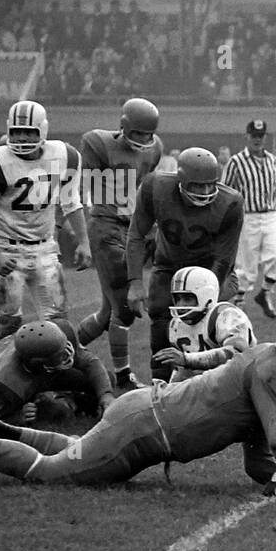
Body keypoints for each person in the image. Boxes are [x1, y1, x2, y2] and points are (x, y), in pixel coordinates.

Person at [0, 317, 276, 495]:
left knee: (74, 449)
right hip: (141, 429)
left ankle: (7, 431)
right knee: (49, 472)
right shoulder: (273, 371)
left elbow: (260, 462)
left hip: (142, 415)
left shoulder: (267, 359)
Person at [0, 100, 92, 341]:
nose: (23, 138)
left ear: (43, 130)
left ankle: (57, 375)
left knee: (59, 323)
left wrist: (83, 242)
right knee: (8, 325)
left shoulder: (65, 155)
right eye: (17, 132)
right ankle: (1, 376)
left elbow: (71, 202)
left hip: (45, 249)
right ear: (8, 130)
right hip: (8, 248)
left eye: (29, 132)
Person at [126, 147, 244, 381]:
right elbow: (137, 235)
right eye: (198, 185)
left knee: (211, 320)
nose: (205, 191)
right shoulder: (155, 188)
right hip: (169, 265)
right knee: (160, 314)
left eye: (211, 184)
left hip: (211, 270)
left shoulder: (230, 202)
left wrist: (207, 294)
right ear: (181, 181)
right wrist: (135, 283)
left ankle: (218, 381)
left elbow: (224, 258)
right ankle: (159, 383)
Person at [76, 97, 163, 390]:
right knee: (123, 309)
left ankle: (63, 356)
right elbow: (90, 187)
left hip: (133, 228)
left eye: (146, 134)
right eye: (136, 133)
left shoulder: (156, 148)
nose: (142, 139)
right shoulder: (97, 144)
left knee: (106, 315)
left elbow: (146, 188)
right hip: (106, 227)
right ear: (124, 127)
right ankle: (123, 376)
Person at [0, 318, 114, 425]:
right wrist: (17, 416)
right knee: (57, 411)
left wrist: (106, 395)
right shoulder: (5, 382)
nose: (68, 354)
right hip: (17, 382)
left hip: (41, 372)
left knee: (105, 380)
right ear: (39, 362)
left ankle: (75, 400)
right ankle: (58, 400)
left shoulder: (59, 329)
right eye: (60, 354)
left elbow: (89, 361)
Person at [224, 119, 276, 318]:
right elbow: (225, 189)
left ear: (265, 137)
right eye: (254, 136)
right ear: (247, 136)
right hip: (248, 217)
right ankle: (239, 303)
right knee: (247, 268)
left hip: (270, 216)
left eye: (260, 136)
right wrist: (226, 218)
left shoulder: (272, 160)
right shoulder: (236, 162)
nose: (257, 140)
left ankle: (265, 292)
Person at [151, 266, 255, 383]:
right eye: (178, 298)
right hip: (210, 388)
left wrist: (187, 359)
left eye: (187, 298)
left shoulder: (225, 315)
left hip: (243, 384)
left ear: (206, 295)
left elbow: (237, 354)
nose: (181, 304)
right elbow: (184, 371)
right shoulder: (176, 325)